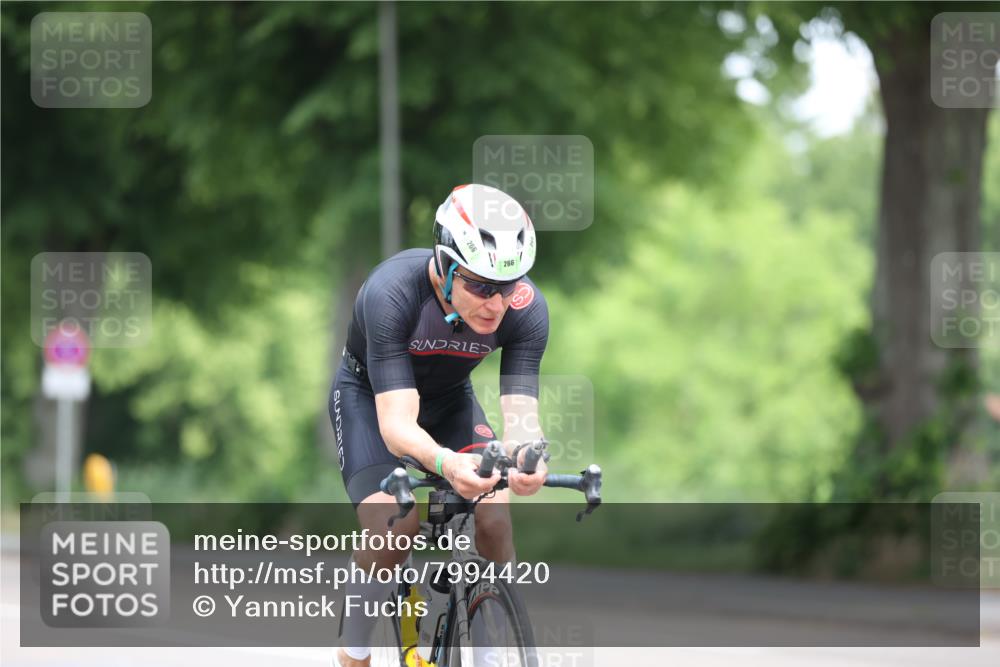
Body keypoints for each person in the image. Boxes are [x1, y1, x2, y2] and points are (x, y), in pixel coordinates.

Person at [330, 184, 549, 667]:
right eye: (481, 286)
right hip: (370, 399)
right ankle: (353, 652)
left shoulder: (525, 308)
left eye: (507, 286)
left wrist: (527, 458)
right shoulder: (392, 293)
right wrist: (448, 464)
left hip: (450, 402)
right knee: (395, 527)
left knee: (494, 522)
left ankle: (490, 658)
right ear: (445, 265)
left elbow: (521, 418)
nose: (496, 304)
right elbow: (397, 424)